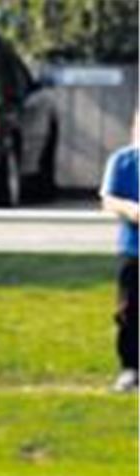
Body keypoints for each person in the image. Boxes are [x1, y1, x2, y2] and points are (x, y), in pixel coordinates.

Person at [99, 111, 138, 393]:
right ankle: (130, 368)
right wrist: (130, 209)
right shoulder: (123, 161)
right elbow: (108, 199)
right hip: (133, 251)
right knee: (130, 312)